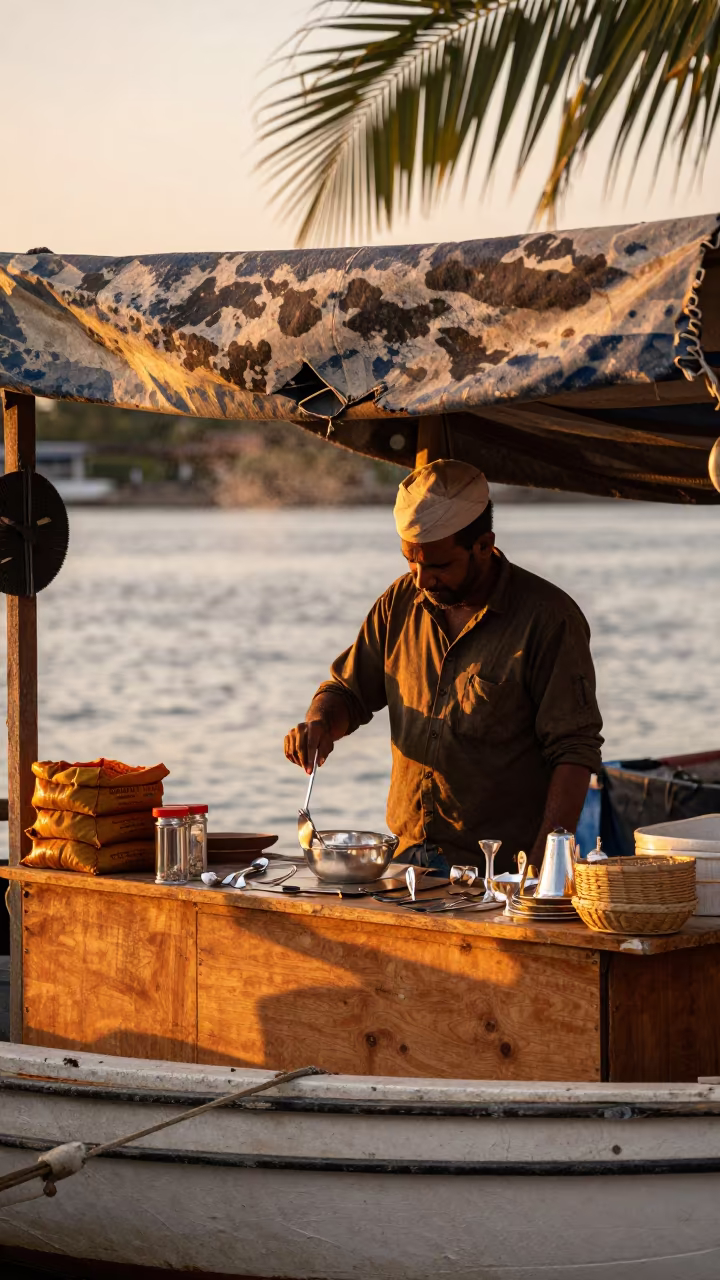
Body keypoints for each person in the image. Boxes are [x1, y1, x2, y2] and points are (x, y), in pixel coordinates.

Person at [284, 459, 603, 874]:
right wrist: (320, 723)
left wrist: (545, 873)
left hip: (499, 871)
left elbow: (575, 751)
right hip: (403, 862)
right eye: (410, 562)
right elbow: (347, 691)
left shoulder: (548, 619)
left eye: (437, 566)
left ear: (484, 545)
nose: (421, 580)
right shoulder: (399, 602)